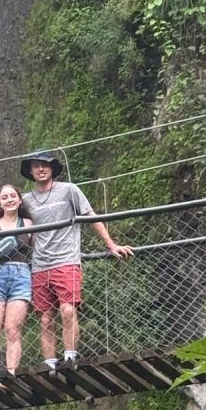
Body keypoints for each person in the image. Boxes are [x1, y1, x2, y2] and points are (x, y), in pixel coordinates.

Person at [20, 150, 133, 370]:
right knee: (45, 320)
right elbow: (8, 222)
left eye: (45, 165)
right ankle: (50, 365)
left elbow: (91, 216)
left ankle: (70, 358)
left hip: (66, 261)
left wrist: (111, 244)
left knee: (68, 311)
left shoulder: (69, 191)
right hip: (40, 265)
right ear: (31, 171)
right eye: (36, 166)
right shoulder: (25, 201)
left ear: (52, 168)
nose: (41, 169)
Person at [0, 184, 33, 377]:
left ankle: (11, 373)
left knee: (12, 330)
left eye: (13, 196)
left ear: (19, 200)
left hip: (21, 277)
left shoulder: (28, 224)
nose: (9, 199)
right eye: (4, 197)